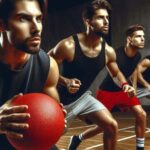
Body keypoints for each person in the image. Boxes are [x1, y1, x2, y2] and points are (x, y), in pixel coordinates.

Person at [49, 0, 136, 149]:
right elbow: (44, 66)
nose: (106, 21)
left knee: (111, 125)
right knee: (48, 139)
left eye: (107, 17)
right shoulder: (69, 45)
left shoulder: (108, 51)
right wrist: (65, 81)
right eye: (101, 17)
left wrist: (125, 85)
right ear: (88, 21)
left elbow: (115, 73)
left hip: (84, 97)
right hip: (62, 103)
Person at [0, 0, 65, 149]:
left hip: (29, 144)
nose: (36, 28)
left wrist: (56, 120)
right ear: (2, 24)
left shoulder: (48, 66)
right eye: (23, 18)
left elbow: (57, 125)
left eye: (39, 19)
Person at [96, 24, 146, 150]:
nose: (143, 39)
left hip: (124, 90)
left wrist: (132, 87)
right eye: (139, 36)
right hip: (107, 91)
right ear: (129, 39)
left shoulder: (138, 56)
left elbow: (134, 73)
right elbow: (115, 76)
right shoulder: (115, 55)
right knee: (102, 126)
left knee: (141, 114)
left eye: (143, 36)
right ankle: (78, 138)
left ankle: (140, 148)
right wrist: (126, 87)